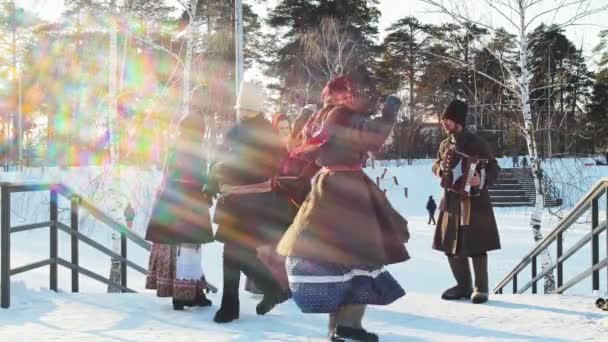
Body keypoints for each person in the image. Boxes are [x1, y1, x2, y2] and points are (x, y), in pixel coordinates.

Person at [276, 70, 410, 342]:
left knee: (335, 261)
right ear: (346, 93)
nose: (361, 98)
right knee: (358, 257)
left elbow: (298, 147)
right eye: (356, 93)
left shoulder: (320, 118)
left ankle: (337, 328)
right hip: (349, 189)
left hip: (325, 186)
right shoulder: (343, 116)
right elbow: (373, 137)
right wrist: (389, 114)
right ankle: (349, 327)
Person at [211, 81, 290, 323]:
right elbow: (220, 157)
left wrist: (226, 170)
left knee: (233, 254)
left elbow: (266, 165)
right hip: (236, 202)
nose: (242, 112)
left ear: (256, 108)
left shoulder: (265, 133)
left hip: (251, 203)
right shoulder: (237, 129)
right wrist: (213, 177)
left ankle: (232, 307)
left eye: (246, 108)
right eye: (241, 108)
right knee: (237, 254)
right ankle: (271, 290)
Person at [432, 99, 501, 305]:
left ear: (458, 121)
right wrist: (440, 170)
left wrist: (482, 179)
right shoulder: (445, 144)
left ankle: (481, 288)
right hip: (451, 200)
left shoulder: (477, 143)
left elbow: (494, 167)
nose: (444, 123)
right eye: (444, 119)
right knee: (450, 245)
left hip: (474, 201)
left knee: (476, 245)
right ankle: (463, 286)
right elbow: (436, 163)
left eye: (448, 120)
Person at [145, 108, 214, 310]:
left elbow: (169, 175)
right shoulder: (194, 149)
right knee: (189, 249)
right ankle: (186, 294)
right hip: (188, 203)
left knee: (180, 249)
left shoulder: (175, 147)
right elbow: (197, 177)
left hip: (171, 201)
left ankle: (185, 294)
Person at [244, 112, 293, 295]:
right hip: (269, 202)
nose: (284, 132)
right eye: (280, 129)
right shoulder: (271, 150)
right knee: (267, 245)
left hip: (286, 203)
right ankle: (269, 286)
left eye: (287, 128)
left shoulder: (291, 149)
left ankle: (281, 285)